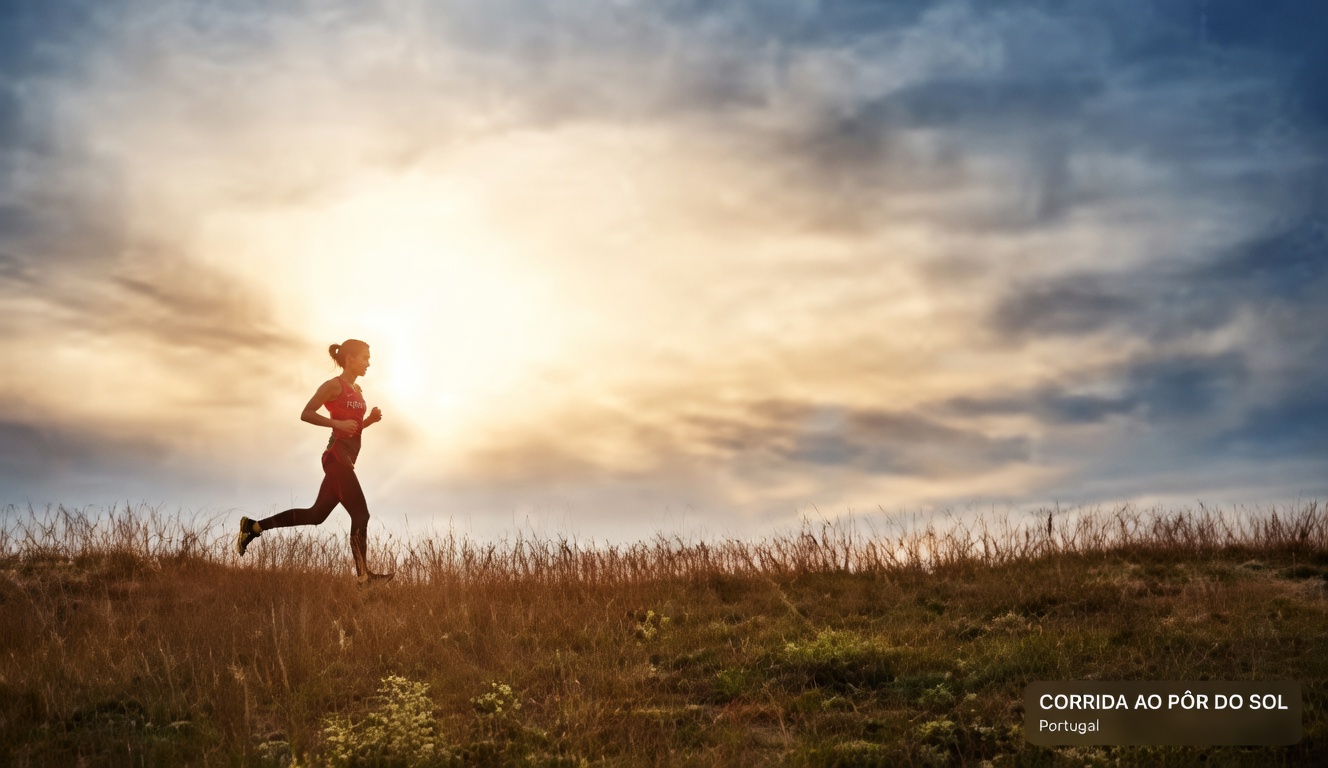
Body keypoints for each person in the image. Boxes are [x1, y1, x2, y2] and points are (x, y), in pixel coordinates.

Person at [235, 339, 393, 583]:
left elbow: (354, 428)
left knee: (315, 515)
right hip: (336, 458)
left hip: (346, 458)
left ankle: (254, 527)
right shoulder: (333, 386)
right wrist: (336, 423)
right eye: (365, 358)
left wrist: (369, 420)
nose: (369, 363)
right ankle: (364, 579)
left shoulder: (358, 391)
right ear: (350, 359)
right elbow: (306, 413)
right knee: (361, 515)